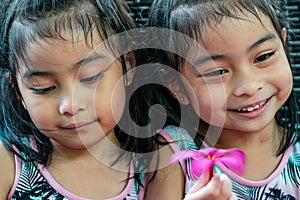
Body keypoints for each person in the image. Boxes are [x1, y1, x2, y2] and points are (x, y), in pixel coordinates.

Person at [0, 0, 158, 199]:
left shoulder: (152, 168)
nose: (70, 105)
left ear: (127, 67)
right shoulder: (8, 164)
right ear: (19, 93)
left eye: (91, 77)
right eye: (44, 88)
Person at [144, 0, 300, 199]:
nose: (249, 87)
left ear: (283, 44)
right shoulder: (175, 152)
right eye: (218, 72)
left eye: (263, 57)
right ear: (176, 85)